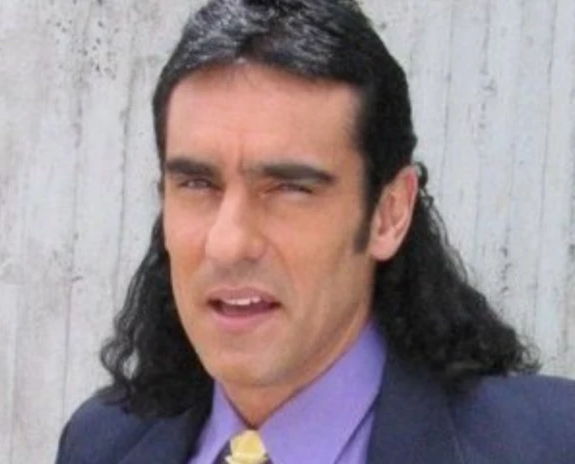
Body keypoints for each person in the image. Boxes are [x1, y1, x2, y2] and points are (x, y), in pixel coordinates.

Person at [56, 0, 575, 463]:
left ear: (389, 214)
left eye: (289, 189)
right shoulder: (101, 443)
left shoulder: (549, 446)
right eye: (197, 183)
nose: (228, 243)